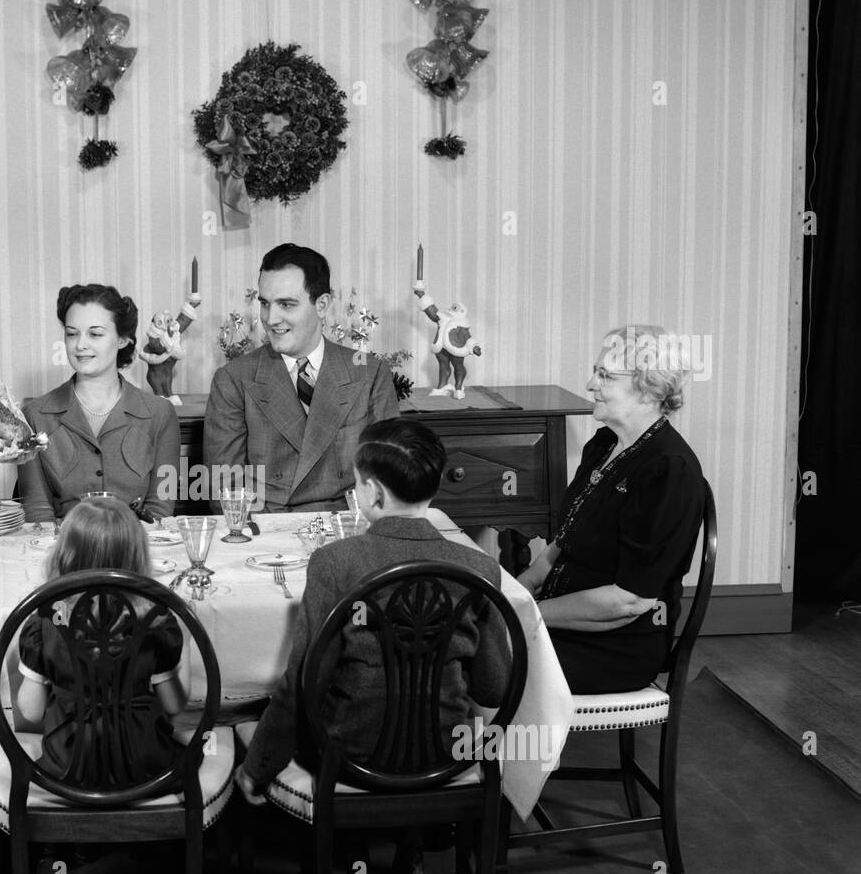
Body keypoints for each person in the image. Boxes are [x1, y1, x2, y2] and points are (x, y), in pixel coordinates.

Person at [235, 418, 511, 803]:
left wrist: (256, 770)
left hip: (351, 757)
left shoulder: (334, 562)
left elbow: (304, 683)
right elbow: (494, 687)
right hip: (447, 755)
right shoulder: (480, 568)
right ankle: (413, 845)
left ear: (374, 492)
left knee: (246, 717)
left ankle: (353, 852)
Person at [519, 326, 705, 694]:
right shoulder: (604, 443)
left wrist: (526, 614)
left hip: (616, 645)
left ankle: (495, 751)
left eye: (605, 375)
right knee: (459, 636)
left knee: (473, 660)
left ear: (650, 389)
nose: (590, 383)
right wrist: (517, 591)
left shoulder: (669, 470)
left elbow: (630, 600)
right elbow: (564, 541)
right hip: (556, 616)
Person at [204, 243, 400, 513]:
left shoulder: (370, 373)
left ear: (321, 305)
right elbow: (226, 489)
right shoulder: (233, 379)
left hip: (348, 529)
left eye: (286, 304)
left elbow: (388, 479)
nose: (271, 319)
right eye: (264, 303)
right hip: (268, 536)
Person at [17, 496, 187, 783]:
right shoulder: (156, 622)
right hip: (144, 771)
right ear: (137, 557)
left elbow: (31, 712)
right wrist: (188, 646)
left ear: (64, 555)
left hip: (69, 769)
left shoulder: (46, 622)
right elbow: (174, 705)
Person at [17, 284, 180, 523]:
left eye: (95, 334)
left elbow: (160, 509)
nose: (80, 344)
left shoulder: (160, 414)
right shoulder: (33, 416)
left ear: (123, 339)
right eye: (72, 333)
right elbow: (37, 514)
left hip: (137, 552)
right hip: (61, 553)